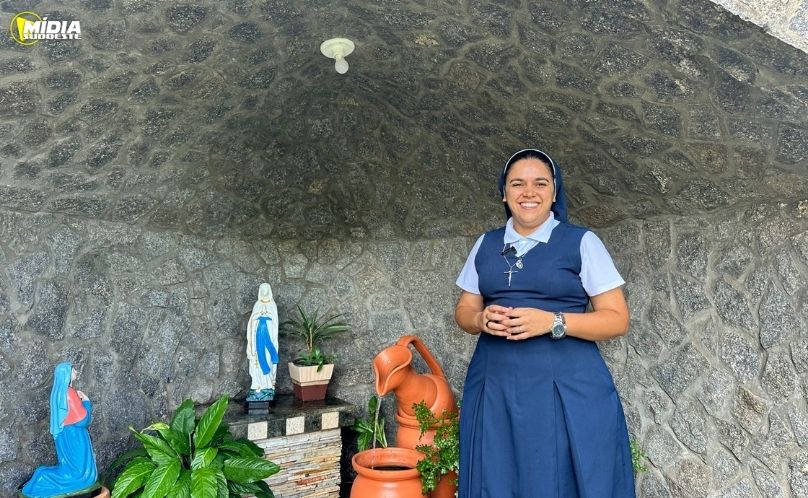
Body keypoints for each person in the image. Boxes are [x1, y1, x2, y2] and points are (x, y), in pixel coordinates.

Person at [454, 149, 635, 497]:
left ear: (554, 192)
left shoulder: (581, 242)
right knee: (498, 475)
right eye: (517, 184)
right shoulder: (486, 244)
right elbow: (464, 310)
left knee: (559, 476)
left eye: (540, 183)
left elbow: (617, 320)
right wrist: (480, 319)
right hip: (496, 384)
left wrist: (552, 321)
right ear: (504, 193)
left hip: (566, 383)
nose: (528, 192)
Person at [22, 362, 98, 497]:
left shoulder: (58, 392)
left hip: (64, 434)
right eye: (73, 370)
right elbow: (82, 420)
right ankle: (44, 476)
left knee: (70, 465)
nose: (76, 372)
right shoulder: (69, 393)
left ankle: (44, 475)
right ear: (66, 374)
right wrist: (86, 402)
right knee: (79, 472)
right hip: (74, 435)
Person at [246, 282, 279, 402]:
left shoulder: (272, 305)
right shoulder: (257, 304)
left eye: (266, 288)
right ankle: (257, 385)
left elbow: (275, 324)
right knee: (256, 363)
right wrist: (258, 317)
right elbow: (251, 322)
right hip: (257, 338)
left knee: (268, 359)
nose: (264, 291)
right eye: (262, 288)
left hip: (268, 340)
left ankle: (268, 386)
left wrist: (266, 317)